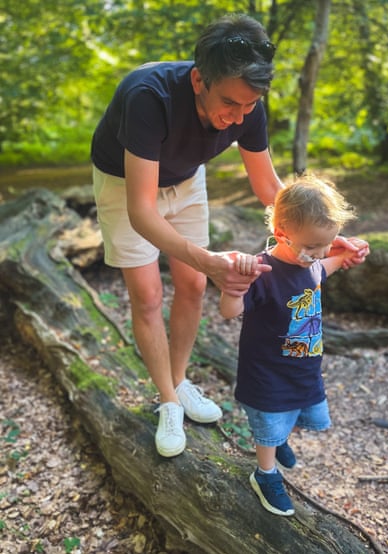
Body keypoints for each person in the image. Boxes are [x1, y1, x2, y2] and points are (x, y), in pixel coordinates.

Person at [91, 13, 366, 459]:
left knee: (194, 285)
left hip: (186, 180)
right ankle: (166, 401)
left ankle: (179, 382)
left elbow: (268, 189)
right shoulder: (148, 96)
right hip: (126, 186)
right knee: (146, 296)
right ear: (199, 79)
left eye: (248, 107)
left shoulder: (248, 104)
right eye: (229, 104)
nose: (236, 117)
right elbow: (142, 211)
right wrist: (206, 257)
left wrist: (320, 239)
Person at [219, 175, 369, 516]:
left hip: (303, 368)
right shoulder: (263, 270)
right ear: (282, 232)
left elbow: (323, 269)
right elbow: (229, 312)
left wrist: (348, 253)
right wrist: (235, 285)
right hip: (267, 373)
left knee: (303, 413)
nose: (318, 255)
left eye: (325, 246)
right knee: (268, 425)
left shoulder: (312, 263)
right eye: (312, 247)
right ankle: (265, 474)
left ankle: (281, 436)